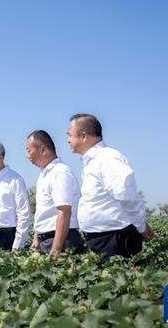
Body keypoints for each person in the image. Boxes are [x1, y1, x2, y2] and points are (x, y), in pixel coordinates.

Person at [67, 113, 156, 263]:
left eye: (70, 135)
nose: (68, 140)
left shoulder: (108, 158)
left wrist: (141, 227)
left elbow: (128, 198)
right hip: (101, 239)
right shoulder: (91, 162)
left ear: (83, 136)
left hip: (115, 239)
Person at [26, 130, 84, 258]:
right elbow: (44, 210)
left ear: (42, 149)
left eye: (29, 150)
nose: (27, 156)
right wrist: (36, 238)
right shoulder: (44, 175)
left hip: (61, 241)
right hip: (46, 240)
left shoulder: (60, 172)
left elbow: (64, 212)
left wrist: (56, 249)